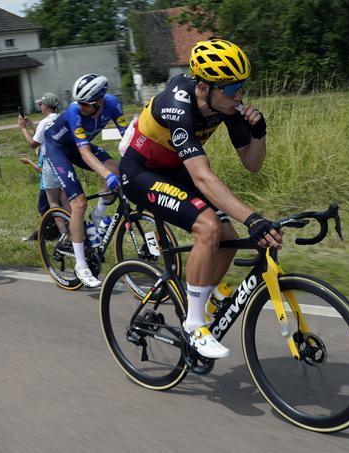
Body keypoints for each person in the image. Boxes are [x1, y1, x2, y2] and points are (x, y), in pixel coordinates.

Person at [119, 39, 282, 359]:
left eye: (242, 84)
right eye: (232, 86)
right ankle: (194, 326)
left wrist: (259, 133)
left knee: (226, 237)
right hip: (141, 171)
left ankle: (201, 305)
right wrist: (253, 218)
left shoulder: (227, 106)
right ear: (205, 86)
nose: (239, 92)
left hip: (175, 169)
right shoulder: (177, 105)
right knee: (208, 227)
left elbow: (253, 164)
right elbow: (203, 177)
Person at [43, 74, 129, 288]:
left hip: (79, 147)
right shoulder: (74, 112)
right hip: (58, 149)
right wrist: (105, 176)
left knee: (116, 170)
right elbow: (84, 153)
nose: (80, 106)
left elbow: (127, 137)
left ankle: (99, 212)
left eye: (85, 103)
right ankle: (81, 266)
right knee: (79, 202)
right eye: (78, 102)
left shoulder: (113, 104)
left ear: (99, 101)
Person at [18, 92, 70, 240]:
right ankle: (74, 229)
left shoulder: (44, 122)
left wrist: (23, 129)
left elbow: (34, 143)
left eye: (41, 104)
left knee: (53, 202)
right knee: (65, 199)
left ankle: (63, 235)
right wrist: (32, 125)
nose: (40, 106)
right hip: (65, 162)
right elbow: (47, 135)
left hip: (51, 163)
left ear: (46, 106)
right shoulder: (61, 118)